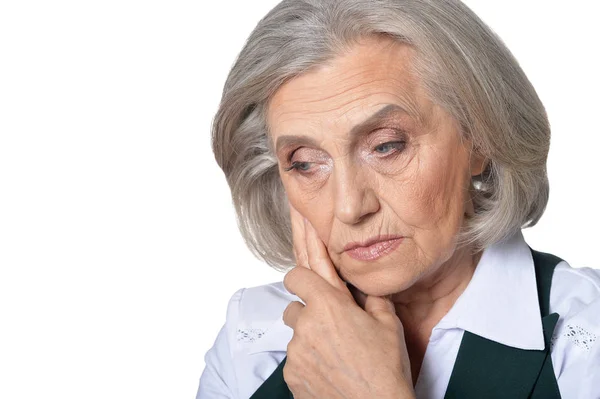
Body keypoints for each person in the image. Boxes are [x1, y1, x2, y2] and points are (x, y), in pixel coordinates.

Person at [196, 0, 600, 397]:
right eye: (304, 164)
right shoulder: (251, 345)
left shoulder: (583, 339)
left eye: (387, 146)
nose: (351, 207)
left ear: (479, 140)